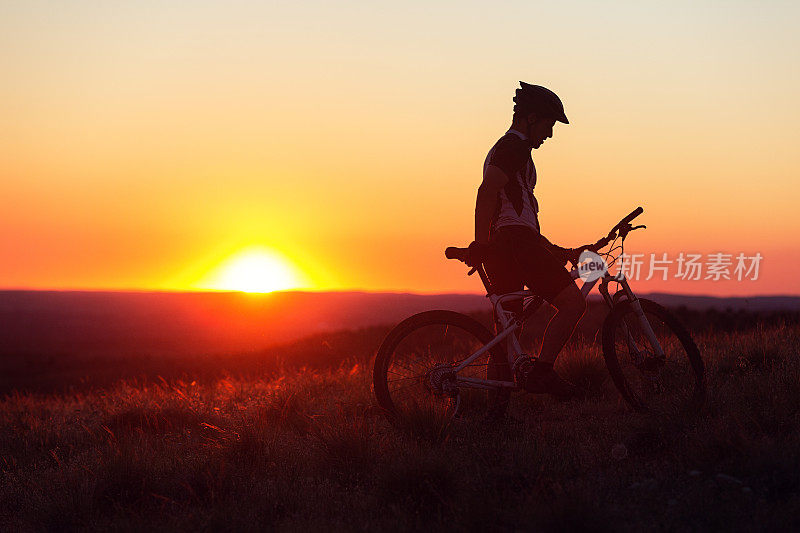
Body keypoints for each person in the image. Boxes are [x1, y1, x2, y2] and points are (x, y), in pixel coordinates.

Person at [466, 81, 586, 399]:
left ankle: (496, 411)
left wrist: (560, 250)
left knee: (508, 332)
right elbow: (487, 191)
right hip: (515, 245)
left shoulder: (513, 151)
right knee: (573, 304)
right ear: (531, 119)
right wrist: (479, 243)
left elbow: (518, 216)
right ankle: (543, 374)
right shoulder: (513, 148)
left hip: (508, 244)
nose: (549, 134)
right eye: (548, 125)